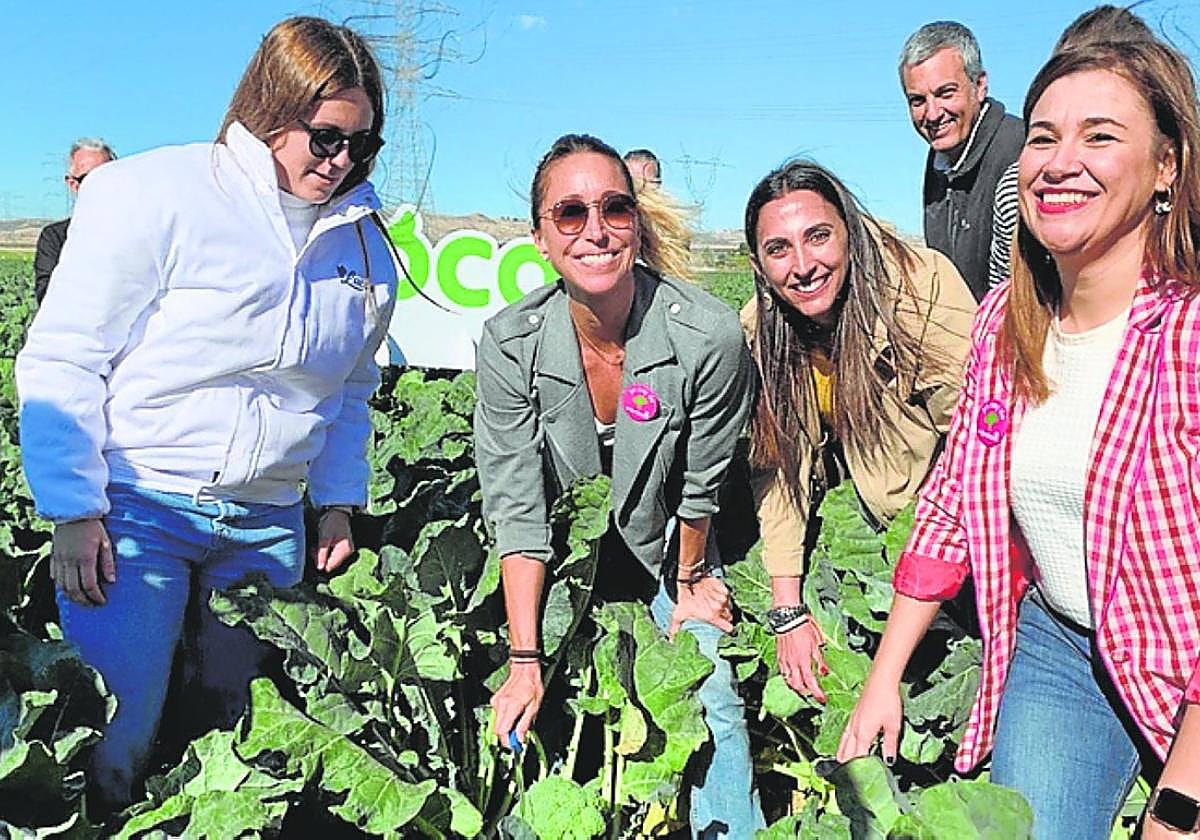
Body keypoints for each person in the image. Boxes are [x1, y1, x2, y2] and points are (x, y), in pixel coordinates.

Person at [16, 16, 396, 811]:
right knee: (113, 737)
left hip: (266, 522)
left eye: (362, 146)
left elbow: (348, 392)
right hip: (137, 509)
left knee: (231, 744)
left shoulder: (362, 245)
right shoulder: (154, 194)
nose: (341, 163)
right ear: (271, 107)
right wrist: (73, 508)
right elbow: (66, 355)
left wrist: (335, 502)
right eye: (326, 138)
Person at [839, 23, 1200, 840]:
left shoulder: (1186, 334)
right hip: (1061, 644)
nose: (1059, 161)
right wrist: (883, 676)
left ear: (1167, 166)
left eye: (1100, 137)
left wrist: (1179, 803)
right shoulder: (1008, 321)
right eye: (1044, 137)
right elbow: (952, 500)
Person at [474, 133, 762, 837]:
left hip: (668, 542)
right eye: (570, 214)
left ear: (639, 219)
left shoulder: (707, 335)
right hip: (561, 554)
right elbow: (518, 509)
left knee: (711, 689)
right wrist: (523, 658)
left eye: (614, 208)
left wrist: (690, 578)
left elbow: (700, 484)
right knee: (524, 706)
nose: (595, 231)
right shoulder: (510, 343)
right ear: (541, 236)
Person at [742, 160, 975, 699]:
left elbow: (978, 439)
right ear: (758, 262)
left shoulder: (920, 290)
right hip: (862, 515)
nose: (803, 265)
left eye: (818, 237)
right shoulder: (763, 329)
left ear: (850, 230)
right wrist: (787, 611)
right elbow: (779, 471)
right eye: (779, 249)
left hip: (948, 518)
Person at [899, 21, 1024, 300]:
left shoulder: (1020, 152)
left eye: (945, 93)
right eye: (917, 100)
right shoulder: (939, 162)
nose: (932, 114)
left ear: (979, 86)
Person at [33, 138, 116, 303]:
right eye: (90, 179)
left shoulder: (138, 231)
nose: (101, 186)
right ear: (73, 184)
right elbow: (48, 297)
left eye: (107, 176)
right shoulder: (55, 237)